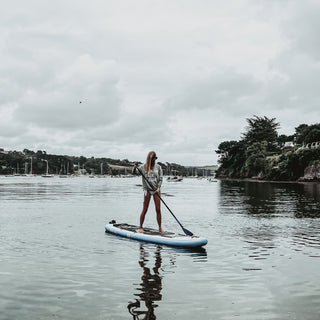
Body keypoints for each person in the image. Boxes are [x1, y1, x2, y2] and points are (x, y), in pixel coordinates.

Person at [133, 151, 164, 233]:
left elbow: (160, 179)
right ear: (149, 158)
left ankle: (160, 228)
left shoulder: (158, 167)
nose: (154, 160)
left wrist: (158, 188)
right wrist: (135, 166)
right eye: (152, 158)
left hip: (156, 190)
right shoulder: (143, 167)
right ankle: (140, 227)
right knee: (145, 209)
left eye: (155, 158)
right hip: (147, 190)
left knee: (158, 209)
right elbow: (134, 173)